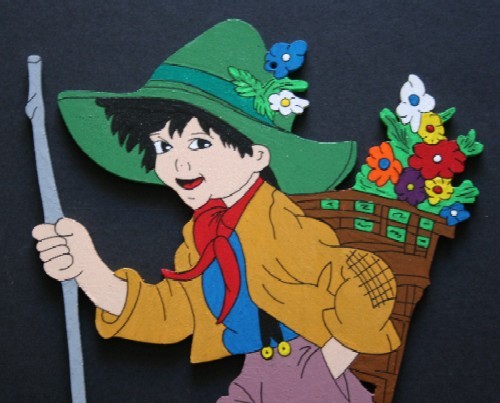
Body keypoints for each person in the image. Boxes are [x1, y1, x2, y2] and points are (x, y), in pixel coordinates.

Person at [33, 20, 400, 402]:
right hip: (254, 377)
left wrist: (325, 366)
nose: (177, 163)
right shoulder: (203, 238)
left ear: (257, 155)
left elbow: (367, 277)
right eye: (163, 147)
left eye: (199, 143)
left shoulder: (281, 223)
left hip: (306, 374)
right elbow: (173, 314)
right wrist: (88, 271)